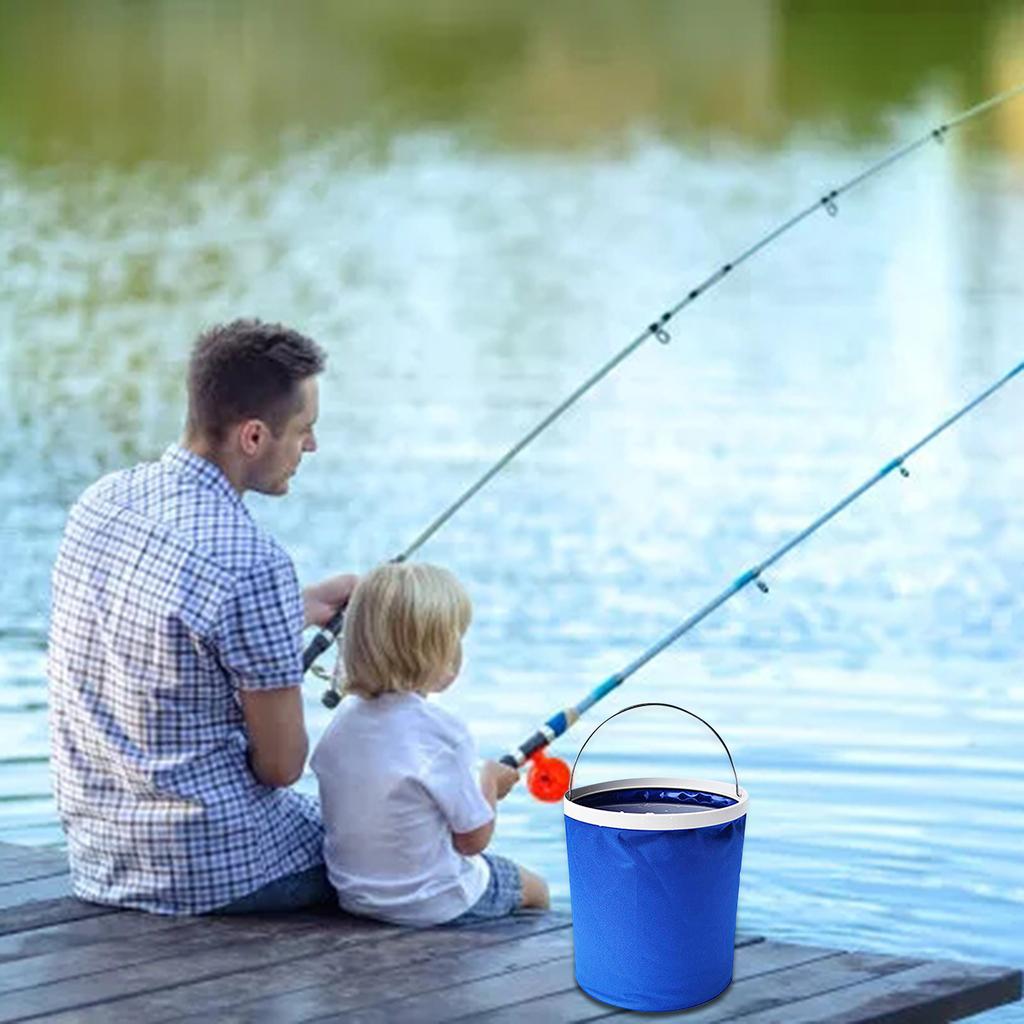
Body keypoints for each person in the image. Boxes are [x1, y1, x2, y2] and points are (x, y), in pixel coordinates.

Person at [47, 318, 357, 915]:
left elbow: (163, 632)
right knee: (407, 847)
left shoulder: (101, 502)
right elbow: (281, 767)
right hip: (210, 869)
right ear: (253, 437)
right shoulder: (254, 561)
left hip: (99, 856)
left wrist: (302, 606)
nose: (312, 447)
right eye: (304, 430)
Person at [311, 561, 549, 927]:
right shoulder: (444, 733)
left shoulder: (343, 720)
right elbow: (472, 841)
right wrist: (489, 781)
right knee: (536, 889)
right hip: (435, 903)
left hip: (355, 895)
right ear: (440, 657)